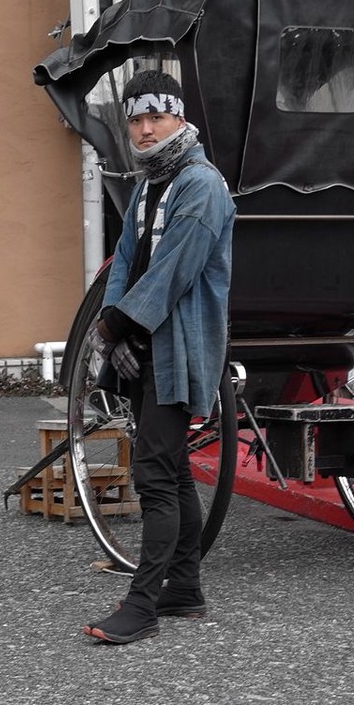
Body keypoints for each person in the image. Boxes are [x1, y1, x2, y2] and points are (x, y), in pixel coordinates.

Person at [81, 70, 235, 644]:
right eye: (136, 120)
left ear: (178, 118)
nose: (145, 130)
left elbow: (176, 269)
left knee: (153, 474)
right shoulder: (151, 183)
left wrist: (119, 324)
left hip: (182, 346)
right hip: (145, 342)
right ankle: (185, 588)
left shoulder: (201, 184)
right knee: (170, 468)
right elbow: (124, 258)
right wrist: (114, 320)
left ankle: (143, 603)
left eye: (156, 117)